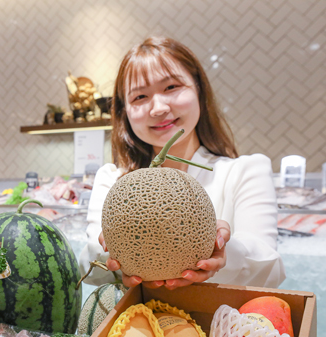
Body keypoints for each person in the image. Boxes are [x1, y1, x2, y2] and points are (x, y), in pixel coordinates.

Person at [79, 37, 285, 290]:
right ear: (125, 112)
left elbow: (272, 271)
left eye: (171, 87)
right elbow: (88, 268)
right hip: (134, 316)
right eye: (140, 96)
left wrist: (224, 251)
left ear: (199, 89)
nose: (158, 108)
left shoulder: (246, 171)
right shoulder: (111, 179)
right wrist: (110, 254)